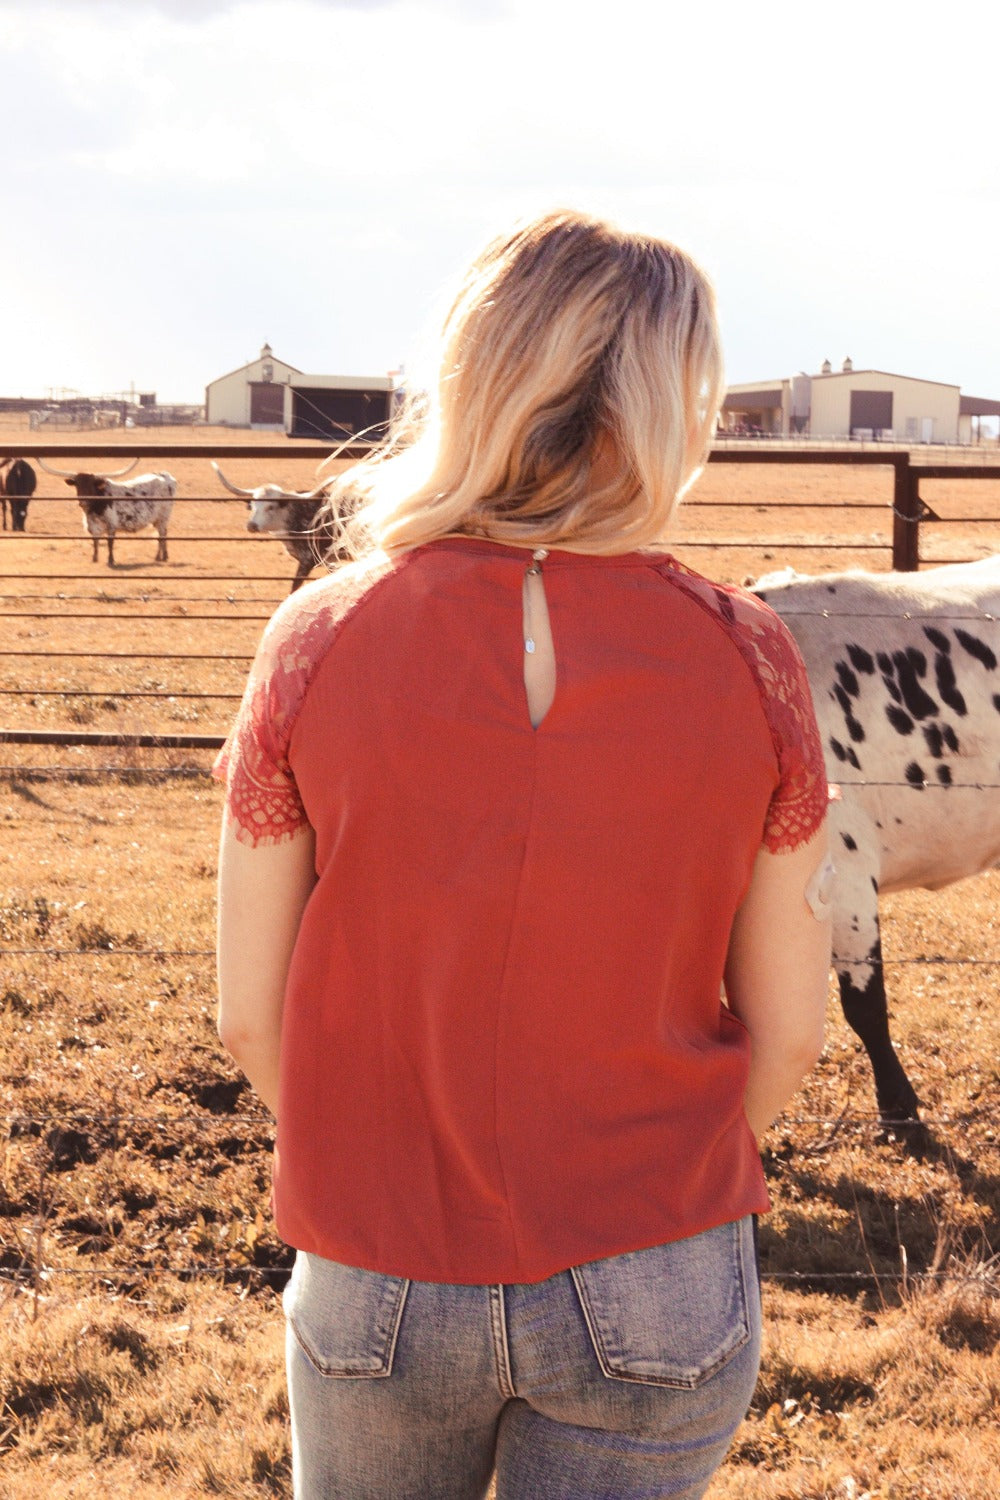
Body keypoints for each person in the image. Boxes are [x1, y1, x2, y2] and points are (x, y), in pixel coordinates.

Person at [215, 210, 831, 1500]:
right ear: (674, 405)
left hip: (377, 1264)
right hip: (658, 1266)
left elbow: (250, 1020)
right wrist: (646, 1196)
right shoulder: (751, 655)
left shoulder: (318, 637)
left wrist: (394, 1181)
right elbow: (791, 1036)